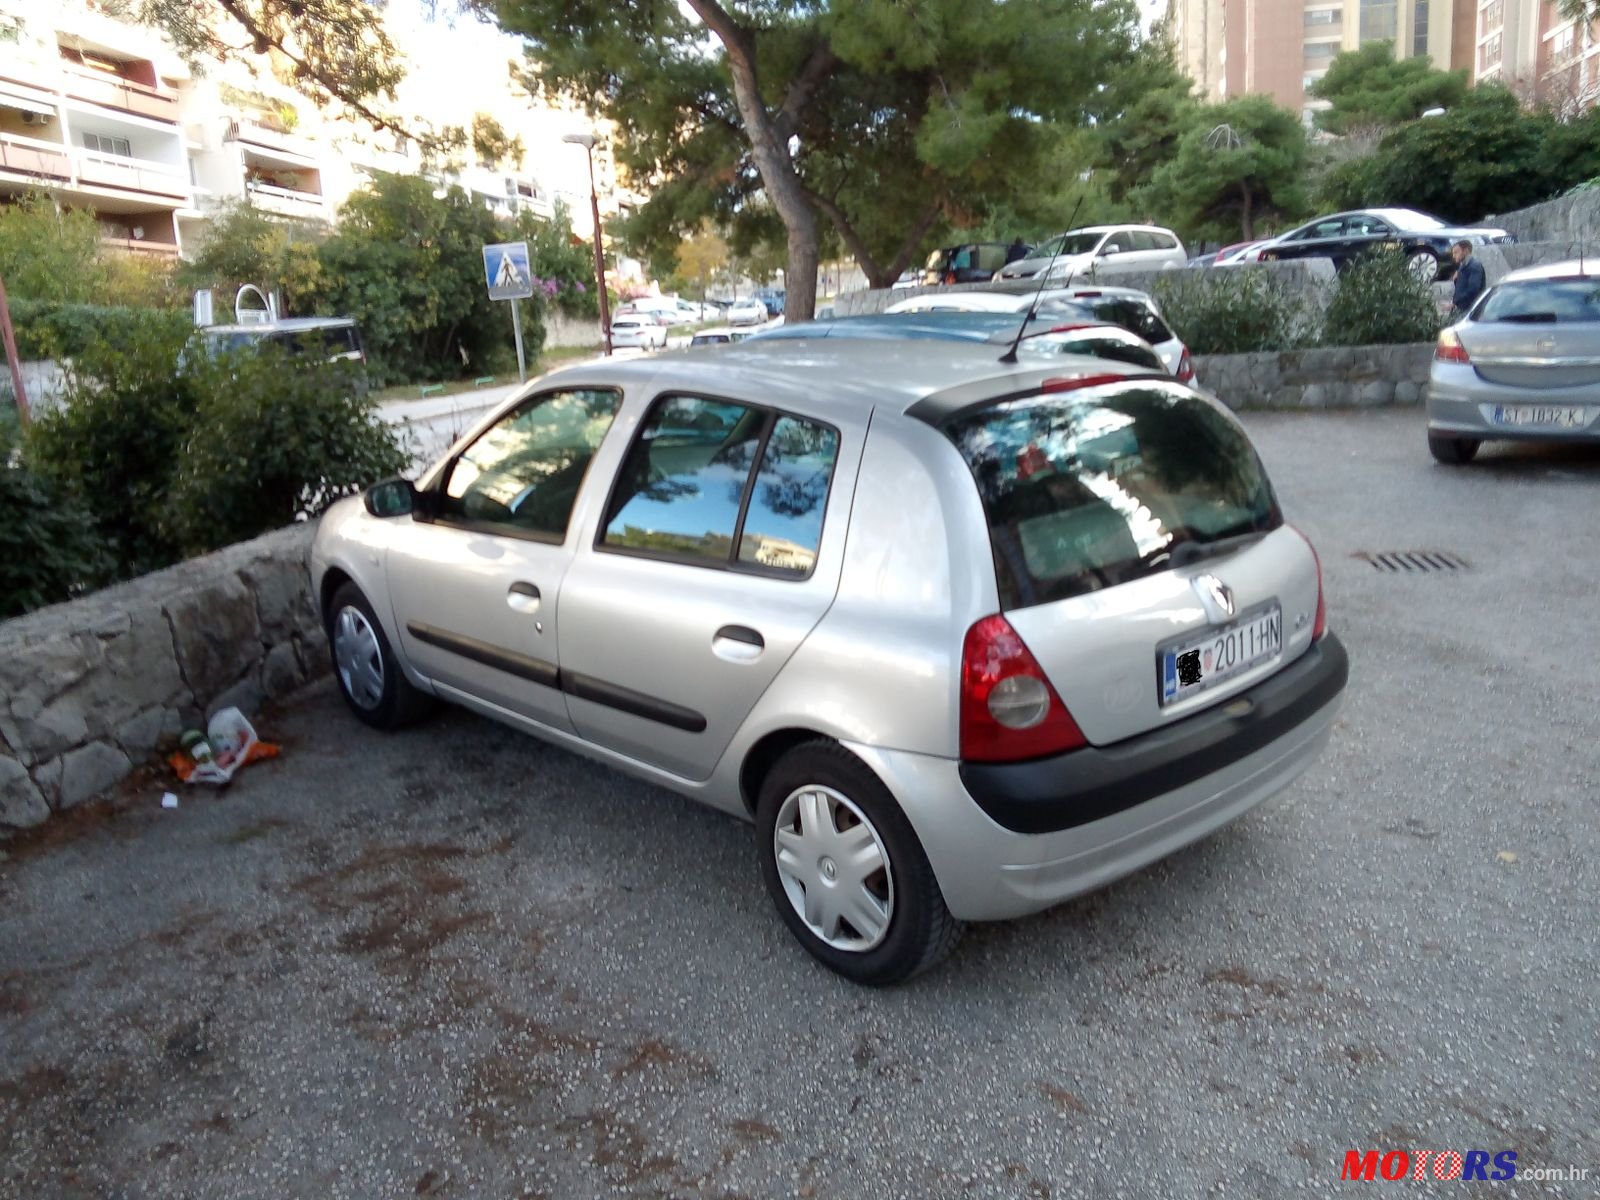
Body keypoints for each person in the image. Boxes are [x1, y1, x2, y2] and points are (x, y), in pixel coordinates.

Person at [1450, 240, 1486, 318]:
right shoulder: (1462, 266)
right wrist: (1456, 280)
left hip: (1470, 310)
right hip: (1461, 309)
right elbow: (1461, 288)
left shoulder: (1474, 266)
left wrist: (1455, 302)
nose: (1454, 256)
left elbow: (1473, 290)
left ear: (1465, 251)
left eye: (1456, 252)